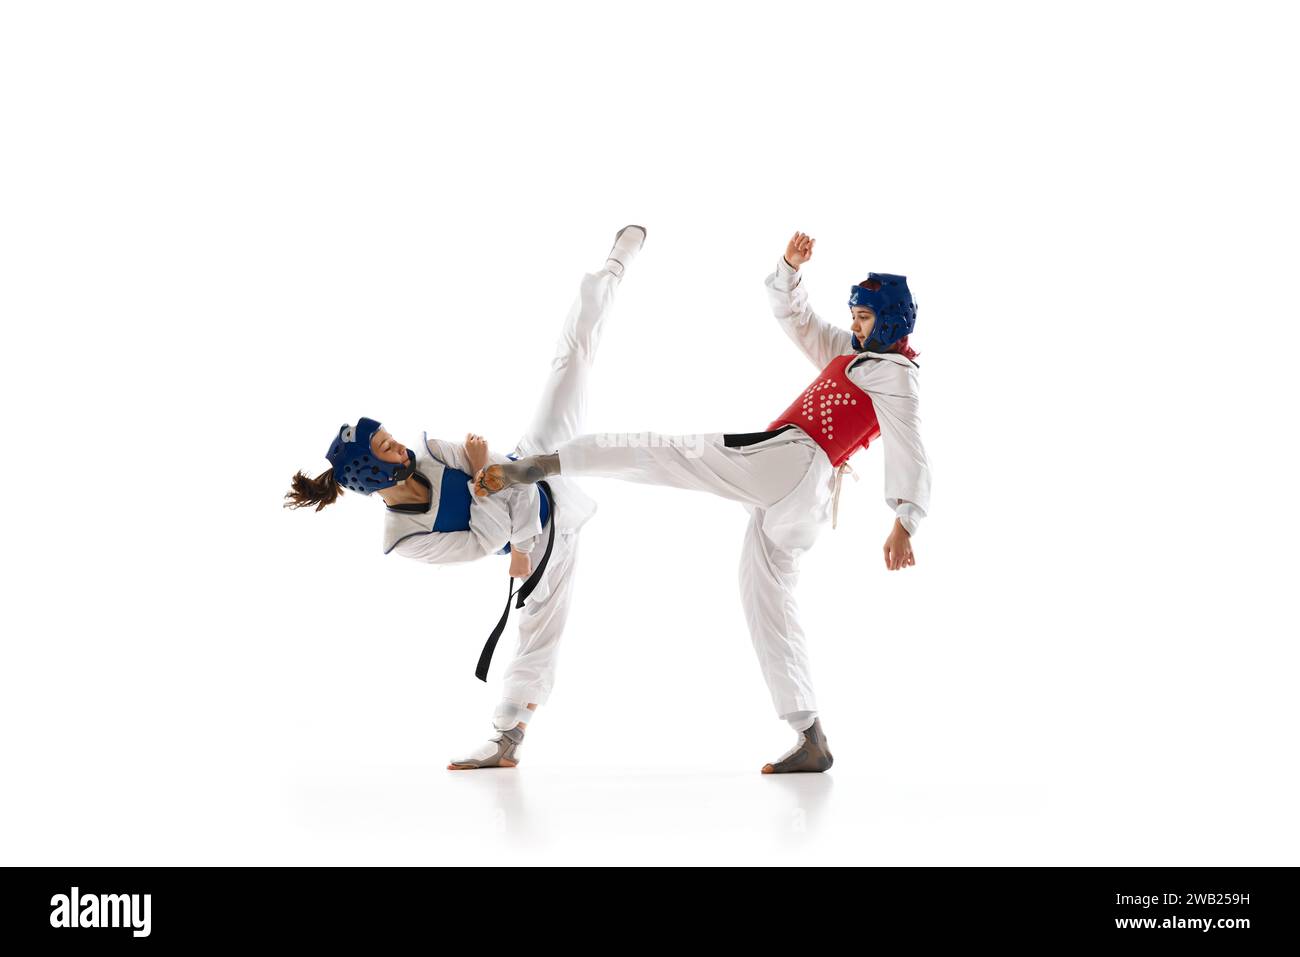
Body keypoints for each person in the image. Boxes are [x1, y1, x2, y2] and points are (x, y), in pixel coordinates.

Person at [474, 231, 931, 773]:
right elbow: (799, 321)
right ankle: (810, 732)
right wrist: (789, 268)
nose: (854, 327)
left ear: (893, 321)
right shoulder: (855, 354)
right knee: (767, 599)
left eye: (863, 319)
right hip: (801, 497)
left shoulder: (899, 376)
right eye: (854, 317)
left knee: (672, 454)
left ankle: (548, 464)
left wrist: (905, 519)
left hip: (790, 461)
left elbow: (910, 443)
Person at [284, 225, 647, 769]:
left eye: (390, 435)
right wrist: (501, 507)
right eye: (385, 446)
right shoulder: (406, 539)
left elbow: (499, 468)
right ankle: (505, 743)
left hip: (537, 461)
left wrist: (486, 483)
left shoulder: (430, 450)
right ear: (371, 474)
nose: (399, 443)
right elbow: (486, 541)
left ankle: (614, 267)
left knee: (569, 361)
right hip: (551, 542)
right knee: (536, 640)